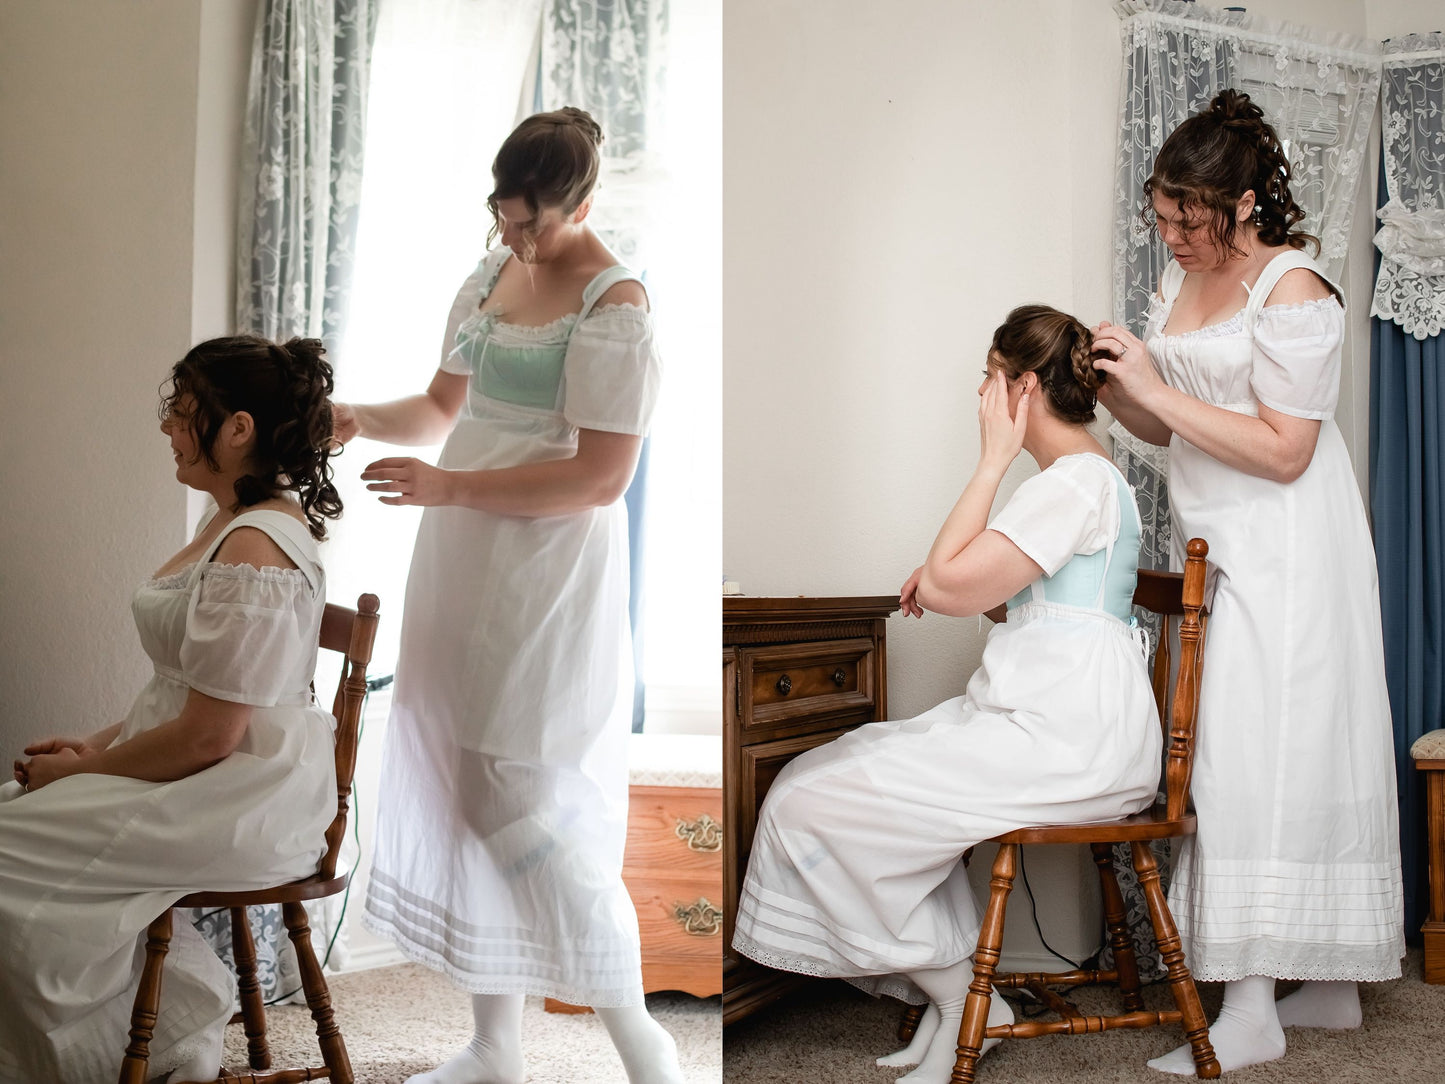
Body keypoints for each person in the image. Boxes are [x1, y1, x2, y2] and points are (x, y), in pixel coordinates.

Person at [334, 107, 680, 1084]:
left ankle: (641, 1041)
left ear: (581, 202)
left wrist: (448, 485)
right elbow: (441, 409)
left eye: (534, 223)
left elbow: (598, 479)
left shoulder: (618, 307)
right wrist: (354, 417)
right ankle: (496, 1045)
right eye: (505, 217)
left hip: (545, 568)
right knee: (460, 776)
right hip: (460, 557)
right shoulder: (489, 275)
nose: (518, 239)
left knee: (516, 793)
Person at [731, 305, 1161, 1084]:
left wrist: (990, 463)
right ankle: (963, 999)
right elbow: (1002, 594)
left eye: (989, 379)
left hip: (1067, 738)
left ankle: (971, 1001)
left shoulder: (1068, 485)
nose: (978, 394)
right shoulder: (1084, 481)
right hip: (1059, 724)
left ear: (1022, 386)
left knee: (809, 801)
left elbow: (949, 586)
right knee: (821, 785)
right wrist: (959, 578)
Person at [1093, 89, 1403, 1075]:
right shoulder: (1180, 287)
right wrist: (1118, 386)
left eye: (1187, 221)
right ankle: (1328, 986)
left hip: (1288, 549)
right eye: (1160, 218)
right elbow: (1162, 426)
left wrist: (1154, 389)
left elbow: (1280, 451)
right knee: (1265, 750)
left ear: (1238, 205)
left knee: (1266, 754)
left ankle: (1253, 1002)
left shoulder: (1293, 288)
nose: (1170, 237)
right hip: (1218, 547)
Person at [0, 335, 343, 1084]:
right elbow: (183, 693)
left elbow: (210, 734)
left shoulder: (256, 548)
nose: (168, 429)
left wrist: (77, 775)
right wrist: (93, 750)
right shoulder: (224, 522)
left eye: (184, 413)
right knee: (7, 810)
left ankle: (159, 1031)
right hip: (205, 760)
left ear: (239, 428)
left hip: (240, 789)